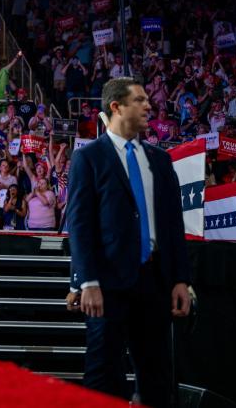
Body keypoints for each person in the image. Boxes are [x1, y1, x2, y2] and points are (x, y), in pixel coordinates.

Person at [67, 77, 190, 407]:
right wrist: (86, 281)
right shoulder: (88, 158)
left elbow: (173, 226)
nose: (149, 106)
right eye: (140, 100)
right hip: (106, 285)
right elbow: (79, 225)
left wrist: (180, 278)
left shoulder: (161, 161)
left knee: (158, 377)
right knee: (103, 376)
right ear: (116, 107)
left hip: (155, 282)